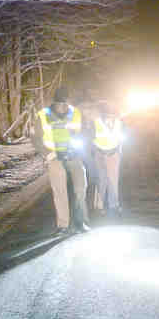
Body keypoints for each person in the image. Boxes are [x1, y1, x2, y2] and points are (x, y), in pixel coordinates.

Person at [32, 87, 90, 235]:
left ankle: (81, 221)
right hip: (54, 156)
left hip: (73, 154)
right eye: (60, 103)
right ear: (55, 102)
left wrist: (81, 148)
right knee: (59, 190)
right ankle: (63, 225)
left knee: (81, 187)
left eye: (65, 103)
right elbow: (35, 137)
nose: (62, 106)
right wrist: (47, 154)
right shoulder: (43, 115)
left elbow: (84, 133)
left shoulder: (76, 113)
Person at [92, 103, 126, 218]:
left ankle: (114, 205)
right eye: (107, 115)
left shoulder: (119, 123)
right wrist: (96, 151)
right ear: (103, 115)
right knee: (101, 180)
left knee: (113, 180)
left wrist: (118, 151)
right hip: (100, 154)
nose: (110, 117)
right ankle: (98, 206)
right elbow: (90, 138)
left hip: (114, 154)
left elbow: (121, 137)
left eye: (112, 115)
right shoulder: (96, 122)